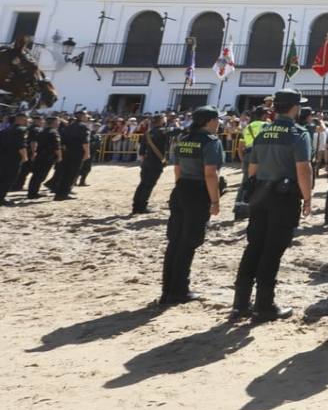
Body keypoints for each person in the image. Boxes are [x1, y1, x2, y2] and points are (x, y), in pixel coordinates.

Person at [231, 89, 314, 322]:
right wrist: (307, 198)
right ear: (295, 108)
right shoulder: (298, 133)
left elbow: (253, 168)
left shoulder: (263, 132)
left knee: (254, 246)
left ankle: (240, 304)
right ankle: (264, 305)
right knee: (273, 250)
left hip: (260, 194)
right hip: (283, 198)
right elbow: (303, 169)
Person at [161, 105, 224, 306]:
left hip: (181, 189)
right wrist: (215, 200)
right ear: (210, 121)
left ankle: (167, 289)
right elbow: (210, 173)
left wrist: (181, 188)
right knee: (189, 242)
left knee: (175, 240)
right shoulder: (211, 142)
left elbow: (177, 169)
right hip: (198, 192)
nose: (219, 123)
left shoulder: (184, 139)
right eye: (217, 119)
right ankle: (179, 290)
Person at [132, 114, 175, 214]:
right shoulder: (163, 131)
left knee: (142, 184)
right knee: (149, 185)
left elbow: (141, 152)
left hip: (146, 162)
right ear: (161, 121)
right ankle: (142, 207)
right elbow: (178, 130)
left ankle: (136, 206)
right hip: (156, 162)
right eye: (164, 118)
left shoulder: (147, 133)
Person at [53, 112, 89, 200]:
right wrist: (87, 153)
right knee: (72, 174)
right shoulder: (83, 127)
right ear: (82, 117)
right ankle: (63, 194)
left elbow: (62, 140)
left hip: (67, 152)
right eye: (86, 116)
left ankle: (58, 194)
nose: (87, 118)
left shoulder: (69, 126)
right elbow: (85, 142)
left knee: (65, 173)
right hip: (77, 153)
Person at [26, 116, 61, 201]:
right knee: (41, 175)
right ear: (53, 123)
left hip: (39, 155)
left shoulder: (41, 131)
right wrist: (59, 156)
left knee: (36, 175)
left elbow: (34, 142)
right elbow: (57, 147)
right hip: (48, 157)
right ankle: (33, 193)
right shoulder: (53, 132)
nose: (58, 124)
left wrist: (34, 152)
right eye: (57, 122)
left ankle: (32, 192)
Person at [1, 112, 29, 205]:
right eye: (25, 119)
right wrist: (25, 157)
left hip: (3, 157)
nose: (27, 121)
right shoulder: (22, 130)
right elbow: (21, 146)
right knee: (9, 179)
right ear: (21, 119)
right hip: (13, 158)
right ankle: (1, 198)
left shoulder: (6, 129)